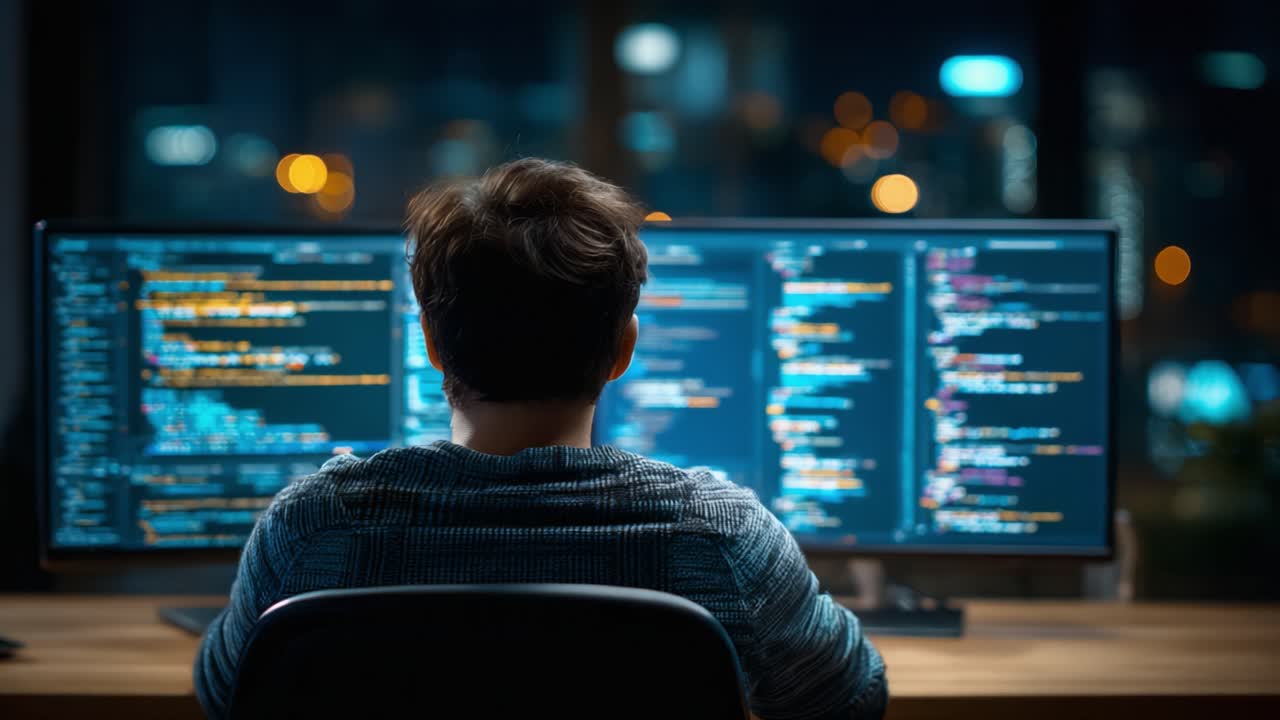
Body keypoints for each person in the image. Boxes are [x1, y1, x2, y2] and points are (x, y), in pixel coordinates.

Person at [195, 157, 887, 719]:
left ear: (433, 344)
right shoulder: (719, 540)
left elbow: (225, 694)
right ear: (624, 349)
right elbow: (853, 699)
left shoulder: (315, 527)